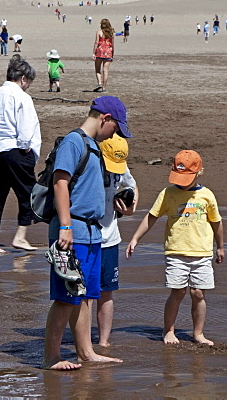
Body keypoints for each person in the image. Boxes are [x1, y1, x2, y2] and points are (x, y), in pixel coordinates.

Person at [42, 95, 131, 370]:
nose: (114, 133)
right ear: (105, 118)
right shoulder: (74, 141)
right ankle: (51, 357)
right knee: (66, 297)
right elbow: (60, 183)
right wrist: (66, 226)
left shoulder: (94, 145)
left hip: (93, 233)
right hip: (74, 232)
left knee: (83, 296)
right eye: (115, 127)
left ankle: (86, 352)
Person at [126, 150, 224, 347]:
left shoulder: (206, 195)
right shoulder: (168, 193)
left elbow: (216, 222)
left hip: (202, 253)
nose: (181, 182)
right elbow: (151, 217)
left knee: (198, 294)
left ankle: (198, 333)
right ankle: (168, 329)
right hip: (176, 253)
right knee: (177, 292)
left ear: (199, 173)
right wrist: (135, 238)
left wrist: (220, 247)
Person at [0, 55, 41, 255]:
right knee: (30, 193)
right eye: (28, 81)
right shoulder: (21, 96)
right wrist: (26, 148)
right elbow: (26, 127)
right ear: (22, 78)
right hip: (12, 150)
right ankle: (20, 236)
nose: (28, 85)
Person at [94, 135, 137, 348]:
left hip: (110, 239)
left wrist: (130, 210)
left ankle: (103, 341)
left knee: (106, 291)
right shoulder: (89, 163)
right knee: (83, 294)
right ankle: (81, 341)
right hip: (87, 239)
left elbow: (133, 186)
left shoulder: (120, 167)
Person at [92, 19, 115, 93]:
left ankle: (99, 83)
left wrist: (93, 53)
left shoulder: (99, 32)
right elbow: (113, 45)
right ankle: (104, 88)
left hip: (100, 51)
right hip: (108, 52)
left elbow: (96, 43)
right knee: (105, 70)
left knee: (97, 69)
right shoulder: (111, 33)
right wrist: (112, 55)